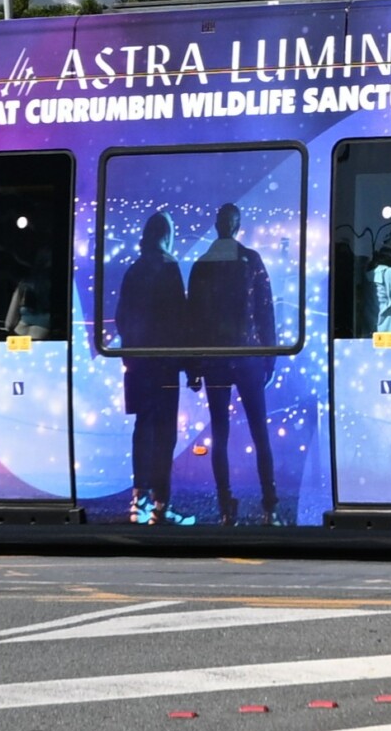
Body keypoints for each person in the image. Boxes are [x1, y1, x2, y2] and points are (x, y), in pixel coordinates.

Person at [189, 201, 280, 523]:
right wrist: (270, 356)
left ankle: (226, 506)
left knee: (220, 433)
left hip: (215, 358)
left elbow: (194, 320)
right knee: (259, 432)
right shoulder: (251, 260)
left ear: (217, 226)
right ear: (237, 226)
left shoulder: (202, 265)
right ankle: (270, 504)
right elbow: (265, 309)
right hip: (249, 356)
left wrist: (194, 366)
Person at [114, 210, 186, 523]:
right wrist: (188, 364)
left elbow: (121, 318)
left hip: (138, 364)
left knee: (142, 428)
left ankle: (138, 500)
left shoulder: (133, 270)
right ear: (167, 235)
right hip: (165, 364)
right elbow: (180, 318)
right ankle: (161, 505)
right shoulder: (170, 268)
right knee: (165, 433)